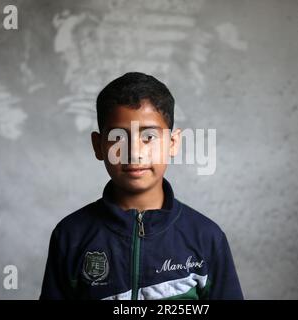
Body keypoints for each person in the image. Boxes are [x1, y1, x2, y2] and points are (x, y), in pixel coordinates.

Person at [40, 72, 244, 300]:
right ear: (98, 146)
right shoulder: (70, 235)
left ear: (173, 143)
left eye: (149, 137)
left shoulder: (206, 238)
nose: (134, 152)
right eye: (118, 138)